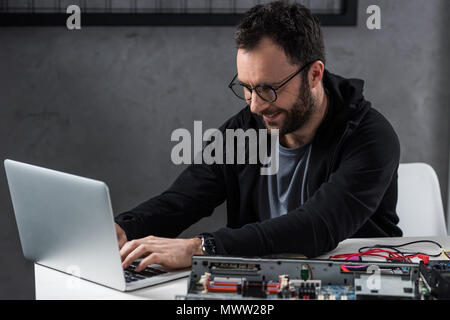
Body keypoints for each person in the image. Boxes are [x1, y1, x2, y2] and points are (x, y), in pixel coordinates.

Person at [115, 1, 402, 273]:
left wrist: (202, 248)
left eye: (268, 89)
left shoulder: (370, 138)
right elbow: (182, 201)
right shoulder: (246, 128)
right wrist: (123, 230)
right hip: (260, 285)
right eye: (247, 88)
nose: (255, 105)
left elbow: (318, 226)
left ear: (314, 74)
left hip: (354, 281)